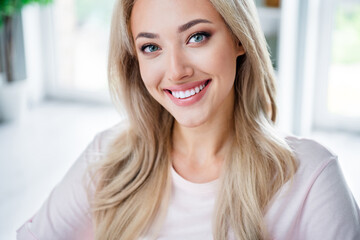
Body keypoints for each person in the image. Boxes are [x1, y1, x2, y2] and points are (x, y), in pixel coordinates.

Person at [17, 0, 360, 239]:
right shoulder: (108, 157)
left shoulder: (310, 178)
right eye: (151, 47)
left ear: (239, 38)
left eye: (197, 37)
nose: (177, 71)